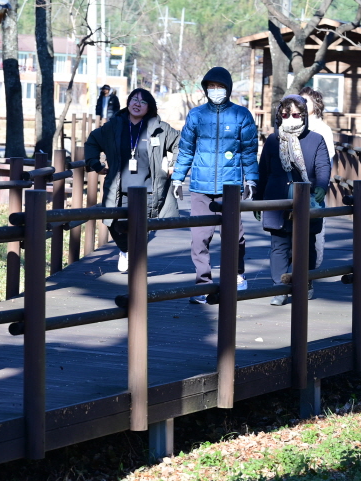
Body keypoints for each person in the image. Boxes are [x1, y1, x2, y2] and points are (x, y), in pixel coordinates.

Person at [171, 66, 259, 303]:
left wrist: (251, 179)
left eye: (220, 86)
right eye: (211, 86)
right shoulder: (196, 115)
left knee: (235, 237)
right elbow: (186, 150)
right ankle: (203, 285)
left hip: (230, 187)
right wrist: (178, 177)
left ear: (228, 89)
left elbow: (249, 151)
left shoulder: (242, 115)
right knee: (199, 238)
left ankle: (237, 274)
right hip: (200, 187)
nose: (216, 90)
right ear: (205, 89)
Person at [84, 88, 179, 273]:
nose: (137, 104)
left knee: (142, 226)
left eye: (143, 102)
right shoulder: (114, 125)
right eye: (134, 100)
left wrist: (174, 165)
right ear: (128, 103)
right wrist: (94, 163)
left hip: (149, 189)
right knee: (114, 223)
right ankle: (126, 249)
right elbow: (93, 141)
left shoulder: (159, 128)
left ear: (149, 107)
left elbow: (180, 144)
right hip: (119, 188)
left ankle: (136, 261)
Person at [255, 95, 331, 305]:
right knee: (278, 245)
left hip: (306, 200)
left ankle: (305, 282)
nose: (291, 118)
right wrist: (258, 199)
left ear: (304, 115)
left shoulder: (316, 139)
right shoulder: (272, 140)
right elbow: (263, 171)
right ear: (280, 115)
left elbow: (323, 167)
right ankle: (279, 288)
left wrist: (321, 187)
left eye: (296, 115)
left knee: (305, 246)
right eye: (286, 114)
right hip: (277, 200)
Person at [298, 85, 336, 267]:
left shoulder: (322, 129)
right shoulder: (291, 124)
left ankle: (312, 268)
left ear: (316, 104)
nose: (302, 104)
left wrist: (322, 182)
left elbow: (328, 160)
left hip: (314, 185)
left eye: (306, 101)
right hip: (292, 184)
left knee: (315, 228)